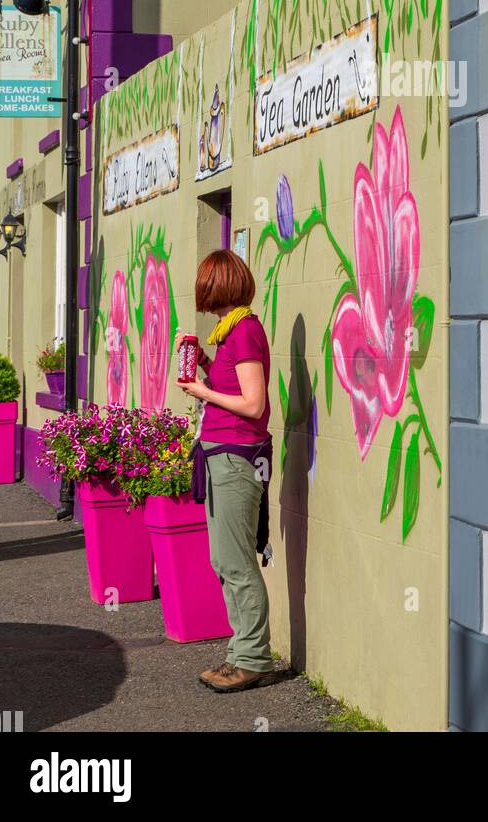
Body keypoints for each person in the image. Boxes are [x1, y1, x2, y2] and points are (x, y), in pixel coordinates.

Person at [176, 249, 273, 693]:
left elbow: (254, 405)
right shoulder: (231, 332)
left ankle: (252, 659)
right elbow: (235, 385)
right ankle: (240, 654)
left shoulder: (246, 331)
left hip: (237, 457)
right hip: (222, 454)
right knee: (224, 560)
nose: (200, 291)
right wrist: (206, 369)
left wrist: (201, 391)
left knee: (236, 563)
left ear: (217, 286)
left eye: (203, 283)